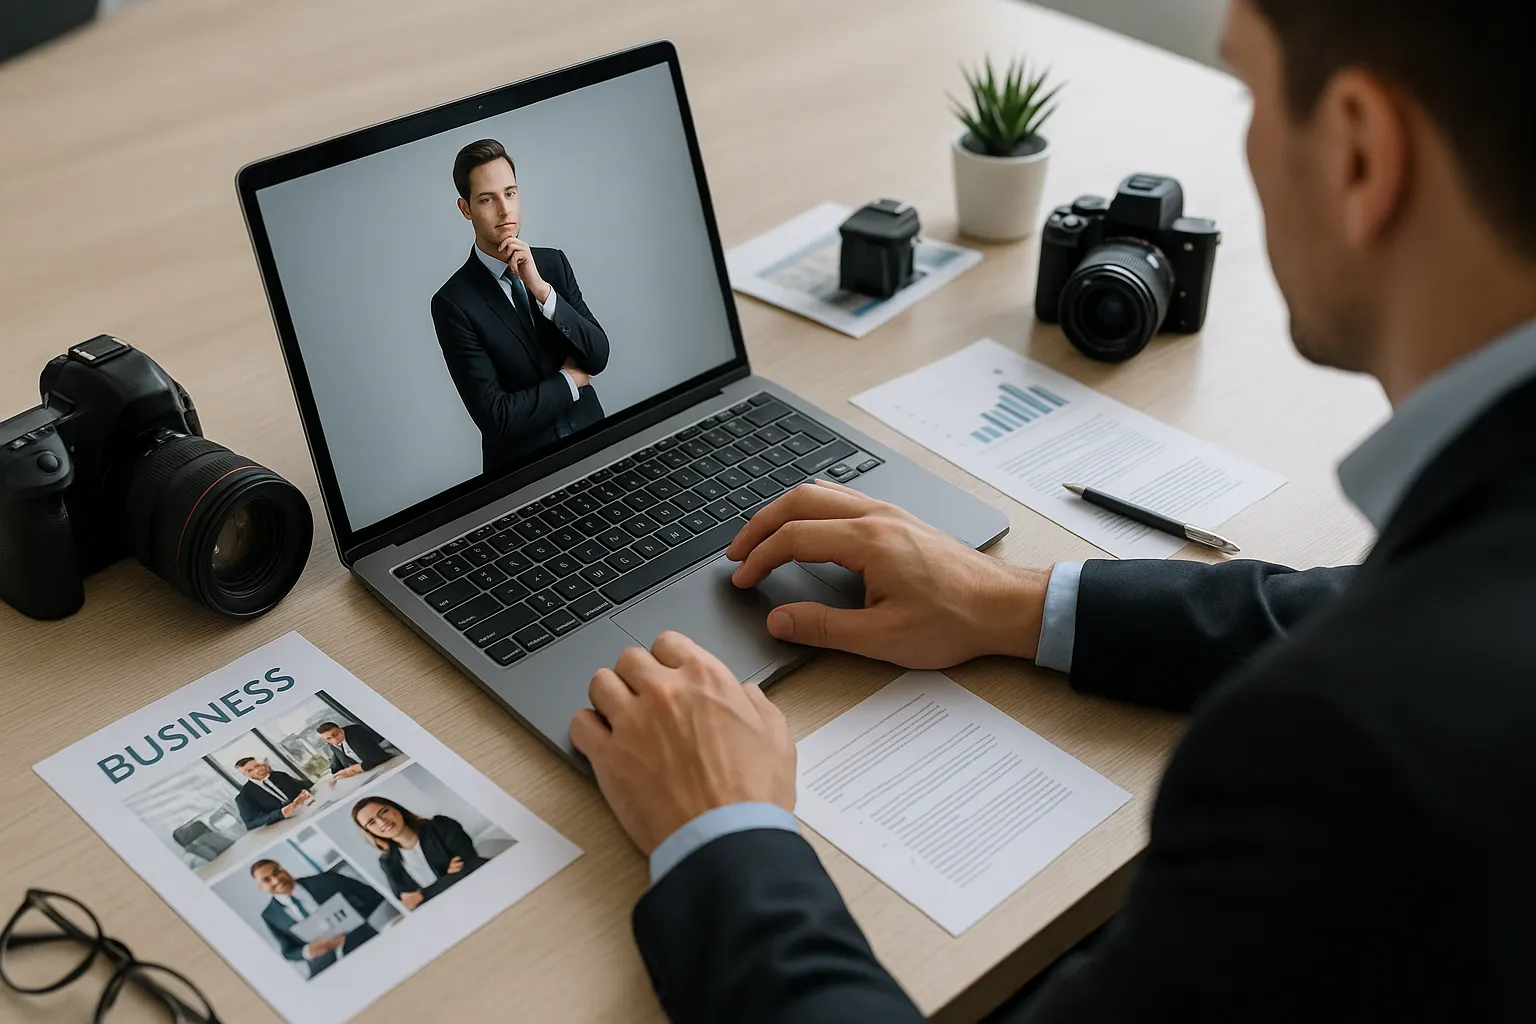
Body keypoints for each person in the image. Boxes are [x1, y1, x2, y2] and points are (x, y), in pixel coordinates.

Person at [568, 0, 1536, 1020]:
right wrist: (1013, 603)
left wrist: (722, 831)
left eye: (1248, 90)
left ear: (1359, 152)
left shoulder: (1331, 754)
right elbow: (1343, 605)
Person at [431, 138, 610, 476]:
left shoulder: (552, 264)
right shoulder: (453, 303)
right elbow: (498, 417)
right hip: (524, 478)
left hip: (595, 451)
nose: (505, 210)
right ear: (466, 209)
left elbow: (598, 356)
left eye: (510, 194)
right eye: (487, 199)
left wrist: (542, 291)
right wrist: (570, 381)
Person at [251, 859, 384, 978]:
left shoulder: (326, 880)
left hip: (364, 942)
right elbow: (288, 951)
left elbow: (373, 895)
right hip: (324, 965)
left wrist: (356, 920)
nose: (276, 880)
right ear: (260, 887)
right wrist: (307, 951)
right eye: (266, 880)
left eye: (276, 872)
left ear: (284, 870)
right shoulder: (270, 915)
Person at [351, 796, 485, 910]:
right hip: (444, 910)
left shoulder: (440, 826)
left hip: (478, 888)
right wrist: (448, 877)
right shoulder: (388, 861)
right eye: (371, 822)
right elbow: (409, 903)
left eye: (384, 811)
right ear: (369, 832)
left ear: (396, 808)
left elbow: (469, 865)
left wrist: (423, 895)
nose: (382, 822)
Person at [232, 757, 313, 830]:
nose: (257, 770)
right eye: (250, 770)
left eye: (257, 766)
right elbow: (251, 823)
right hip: (285, 827)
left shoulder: (279, 775)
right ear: (245, 774)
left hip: (307, 811)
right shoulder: (244, 796)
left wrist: (305, 790)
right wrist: (280, 813)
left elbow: (303, 785)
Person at [316, 720, 392, 777]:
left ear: (341, 731)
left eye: (335, 735)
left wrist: (360, 767)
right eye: (329, 739)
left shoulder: (356, 734)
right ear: (325, 741)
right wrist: (341, 773)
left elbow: (380, 756)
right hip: (371, 772)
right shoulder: (334, 746)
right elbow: (336, 767)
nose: (334, 740)